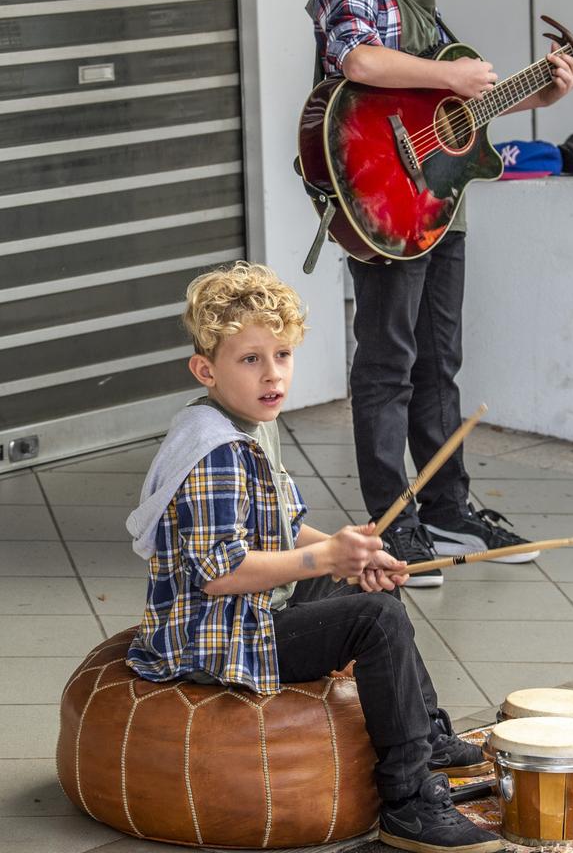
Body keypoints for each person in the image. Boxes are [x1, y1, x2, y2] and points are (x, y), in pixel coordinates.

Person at [125, 261, 502, 853]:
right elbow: (221, 575)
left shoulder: (246, 423)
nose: (272, 374)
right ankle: (407, 802)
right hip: (213, 635)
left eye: (282, 355)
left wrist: (350, 551)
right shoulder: (216, 452)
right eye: (250, 359)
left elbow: (283, 528)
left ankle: (425, 738)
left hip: (248, 611)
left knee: (374, 582)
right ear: (206, 369)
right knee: (377, 620)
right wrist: (327, 559)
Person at [309, 0, 573, 586]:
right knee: (387, 363)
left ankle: (446, 509)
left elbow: (460, 104)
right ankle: (391, 527)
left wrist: (543, 92)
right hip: (385, 203)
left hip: (437, 202)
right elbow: (360, 61)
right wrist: (449, 73)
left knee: (439, 362)